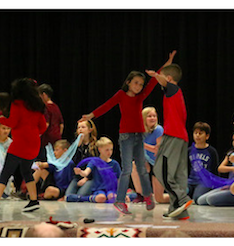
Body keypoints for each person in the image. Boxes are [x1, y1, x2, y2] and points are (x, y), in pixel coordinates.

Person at [81, 51, 176, 214]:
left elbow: (154, 81)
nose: (139, 86)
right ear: (129, 82)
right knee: (126, 169)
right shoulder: (121, 95)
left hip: (139, 135)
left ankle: (147, 196)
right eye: (136, 83)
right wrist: (91, 115)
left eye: (141, 84)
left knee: (141, 168)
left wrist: (167, 64)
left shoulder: (140, 98)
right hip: (125, 137)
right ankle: (119, 201)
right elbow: (107, 105)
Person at [0, 78, 47, 214]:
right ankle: (33, 200)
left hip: (20, 142)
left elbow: (13, 122)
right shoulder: (37, 105)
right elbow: (43, 127)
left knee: (6, 172)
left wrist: (2, 119)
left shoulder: (17, 104)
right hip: (33, 143)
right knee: (26, 171)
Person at [146, 59, 192, 219]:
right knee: (178, 174)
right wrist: (168, 63)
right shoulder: (174, 93)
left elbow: (164, 80)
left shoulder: (173, 90)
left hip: (173, 136)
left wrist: (155, 74)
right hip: (181, 137)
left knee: (160, 169)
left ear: (169, 79)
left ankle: (182, 198)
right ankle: (179, 210)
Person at [198, 131, 234, 207]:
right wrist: (233, 168)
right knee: (200, 200)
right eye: (233, 140)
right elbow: (220, 168)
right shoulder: (231, 154)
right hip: (229, 186)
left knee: (211, 199)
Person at [131, 106, 169, 203]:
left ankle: (180, 198)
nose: (152, 118)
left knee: (159, 199)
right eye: (149, 116)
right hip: (149, 162)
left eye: (154, 116)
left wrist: (142, 145)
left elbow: (158, 151)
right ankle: (140, 195)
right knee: (134, 165)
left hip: (160, 164)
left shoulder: (158, 130)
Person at [68, 137, 121, 203]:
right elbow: (86, 173)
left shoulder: (114, 164)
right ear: (100, 149)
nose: (109, 152)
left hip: (111, 189)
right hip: (99, 189)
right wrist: (80, 172)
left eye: (111, 150)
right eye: (107, 150)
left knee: (112, 197)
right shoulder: (94, 162)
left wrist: (120, 193)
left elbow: (119, 180)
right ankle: (84, 198)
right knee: (101, 197)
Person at [64, 120, 99, 200]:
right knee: (68, 196)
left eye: (83, 127)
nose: (80, 129)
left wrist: (86, 178)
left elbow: (95, 164)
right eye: (78, 127)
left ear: (90, 130)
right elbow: (72, 161)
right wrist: (77, 146)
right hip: (78, 176)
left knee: (80, 195)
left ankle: (93, 196)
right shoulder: (76, 145)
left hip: (91, 177)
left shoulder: (94, 145)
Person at [187, 122, 220, 204]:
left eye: (200, 133)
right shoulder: (189, 150)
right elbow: (186, 167)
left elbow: (215, 169)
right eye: (195, 133)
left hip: (204, 182)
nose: (197, 135)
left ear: (207, 136)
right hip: (190, 181)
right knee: (180, 194)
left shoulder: (211, 151)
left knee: (197, 199)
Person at [37, 84, 64, 162]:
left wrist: (37, 135)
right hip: (57, 139)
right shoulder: (56, 107)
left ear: (44, 95)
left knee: (44, 161)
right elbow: (61, 124)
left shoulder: (46, 107)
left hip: (47, 140)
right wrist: (58, 135)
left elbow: (46, 124)